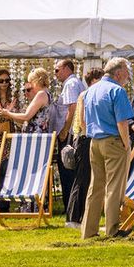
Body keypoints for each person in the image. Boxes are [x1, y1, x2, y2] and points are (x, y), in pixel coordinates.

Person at [80, 57, 134, 239]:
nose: (128, 76)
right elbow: (122, 122)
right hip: (113, 141)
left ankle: (88, 230)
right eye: (126, 73)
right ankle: (112, 230)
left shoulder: (90, 91)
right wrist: (126, 144)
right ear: (118, 73)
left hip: (94, 142)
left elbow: (83, 121)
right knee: (113, 187)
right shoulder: (117, 91)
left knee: (95, 187)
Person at [55, 58, 88, 227]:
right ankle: (73, 208)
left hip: (71, 133)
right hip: (76, 131)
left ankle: (71, 209)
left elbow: (73, 107)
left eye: (57, 69)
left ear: (67, 68)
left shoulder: (70, 84)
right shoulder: (75, 82)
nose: (55, 73)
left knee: (68, 171)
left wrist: (65, 130)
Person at [2, 67, 55, 136]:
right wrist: (10, 115)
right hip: (41, 135)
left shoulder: (41, 94)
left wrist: (8, 113)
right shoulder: (48, 93)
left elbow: (26, 116)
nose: (30, 85)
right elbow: (27, 119)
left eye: (30, 82)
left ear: (36, 81)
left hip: (36, 137)